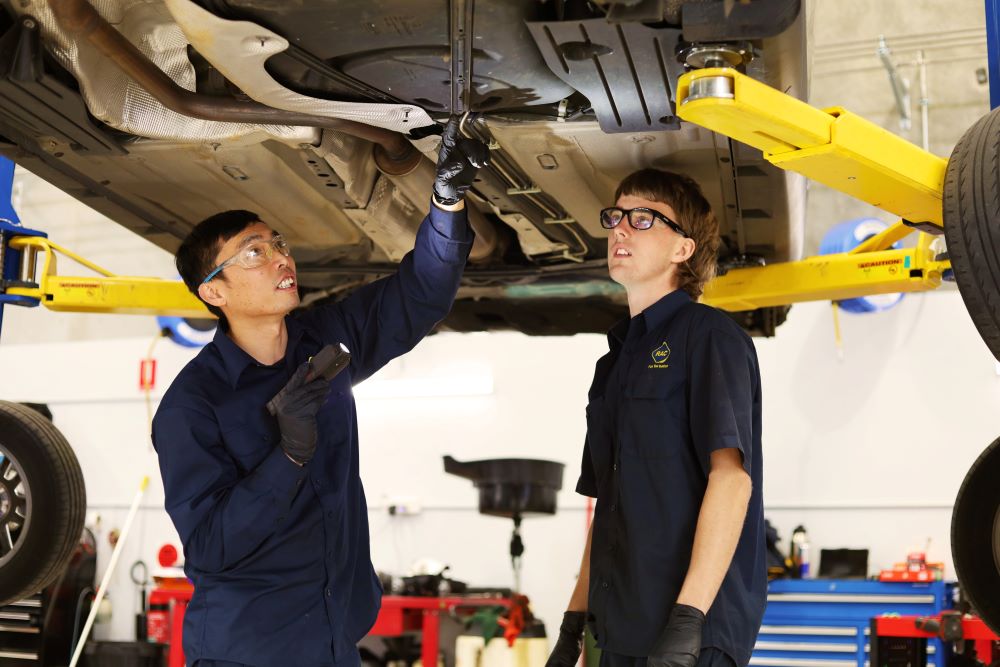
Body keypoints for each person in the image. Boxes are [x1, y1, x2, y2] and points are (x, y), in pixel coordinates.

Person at [151, 117, 488, 667]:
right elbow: (211, 547)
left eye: (278, 244)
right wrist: (288, 456)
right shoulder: (192, 406)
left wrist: (447, 201)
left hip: (336, 643)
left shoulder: (324, 342)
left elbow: (419, 294)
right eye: (253, 253)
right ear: (215, 291)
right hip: (249, 652)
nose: (282, 257)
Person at [546, 169, 766, 667]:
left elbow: (732, 483)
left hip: (690, 634)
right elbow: (609, 506)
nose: (620, 229)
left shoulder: (710, 338)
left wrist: (688, 619)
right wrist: (572, 623)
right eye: (616, 217)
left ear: (682, 249)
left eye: (642, 218)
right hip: (620, 628)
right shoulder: (614, 362)